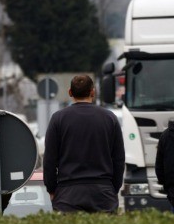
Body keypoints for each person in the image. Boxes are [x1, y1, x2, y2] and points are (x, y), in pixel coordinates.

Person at [43, 74, 125, 214]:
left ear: (70, 92)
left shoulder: (58, 119)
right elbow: (118, 159)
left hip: (67, 193)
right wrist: (113, 189)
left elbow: (50, 159)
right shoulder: (109, 118)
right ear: (93, 91)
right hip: (103, 192)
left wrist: (52, 189)